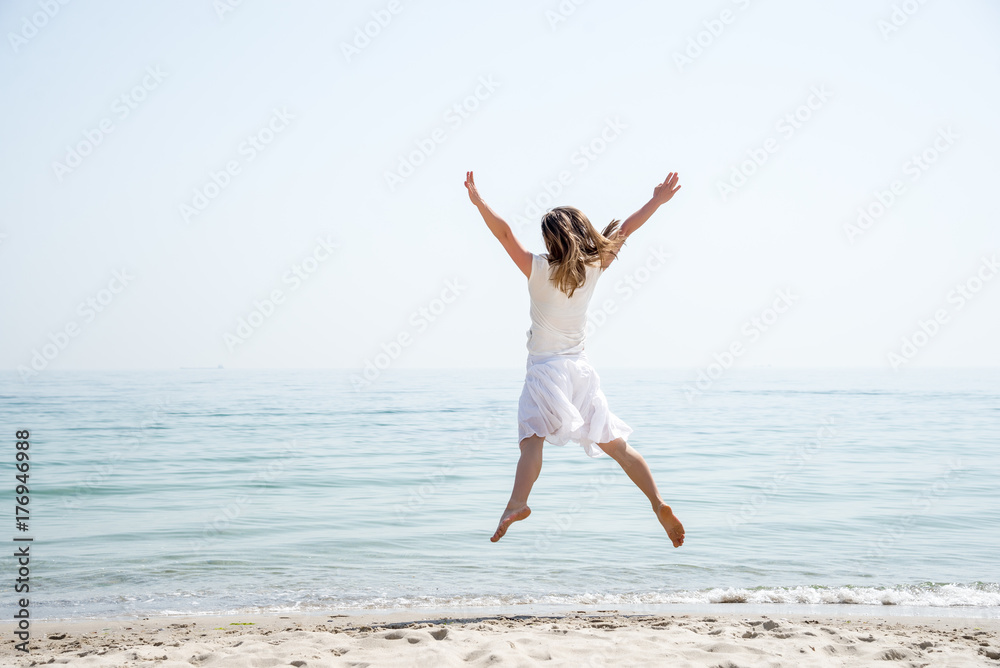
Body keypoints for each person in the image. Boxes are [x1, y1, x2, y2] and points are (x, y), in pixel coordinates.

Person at [463, 170, 685, 547]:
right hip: (581, 371)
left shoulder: (537, 269)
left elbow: (502, 233)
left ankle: (518, 503)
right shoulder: (595, 266)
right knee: (617, 446)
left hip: (545, 372)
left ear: (551, 240)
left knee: (532, 440)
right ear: (583, 233)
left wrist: (479, 201)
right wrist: (657, 201)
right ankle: (657, 501)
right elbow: (627, 228)